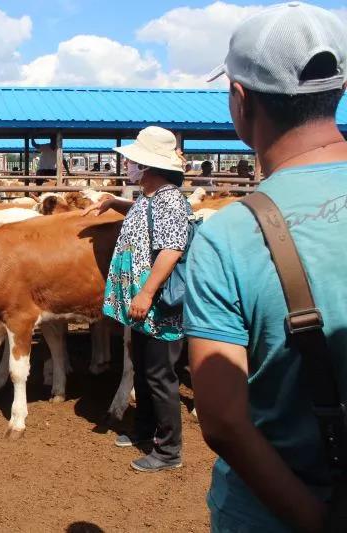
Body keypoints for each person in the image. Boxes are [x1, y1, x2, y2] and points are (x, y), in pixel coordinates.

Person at [186, 4, 347, 531]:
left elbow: (225, 420)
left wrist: (315, 521)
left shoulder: (227, 236)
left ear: (240, 98)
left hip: (273, 515)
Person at [86, 126, 189, 473]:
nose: (128, 165)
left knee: (161, 375)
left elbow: (172, 249)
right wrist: (116, 202)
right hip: (144, 303)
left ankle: (169, 450)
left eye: (133, 161)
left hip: (158, 304)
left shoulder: (171, 200)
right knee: (145, 370)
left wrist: (146, 293)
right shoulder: (151, 197)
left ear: (148, 167)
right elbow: (146, 215)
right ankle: (145, 429)